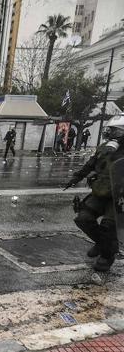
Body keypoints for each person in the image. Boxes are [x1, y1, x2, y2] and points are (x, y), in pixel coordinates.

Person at [64, 115, 124, 272]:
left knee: (108, 226)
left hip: (118, 197)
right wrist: (76, 177)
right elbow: (91, 164)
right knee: (83, 219)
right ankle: (104, 244)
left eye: (114, 130)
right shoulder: (105, 147)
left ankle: (107, 255)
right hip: (100, 191)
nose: (109, 133)